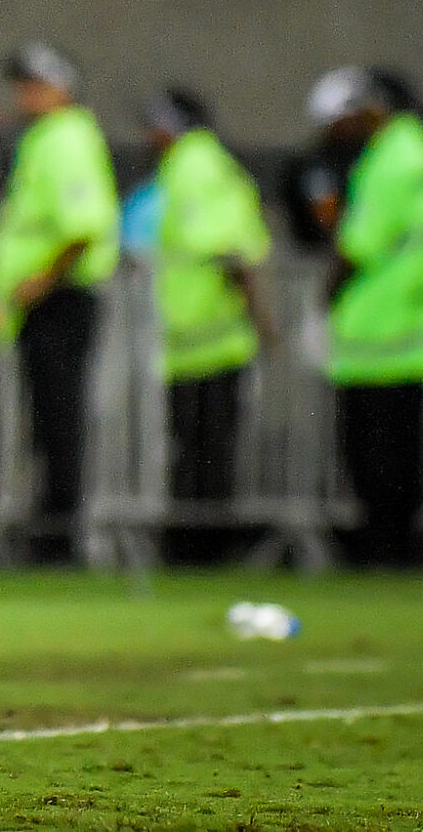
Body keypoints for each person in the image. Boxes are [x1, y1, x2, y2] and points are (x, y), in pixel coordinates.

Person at [309, 67, 423, 567]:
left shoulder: (392, 159)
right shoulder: (418, 153)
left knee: (375, 450)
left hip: (379, 331)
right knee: (400, 447)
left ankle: (385, 548)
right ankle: (396, 545)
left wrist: (324, 298)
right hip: (405, 329)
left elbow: (360, 242)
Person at [0, 41, 119, 563]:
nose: (26, 94)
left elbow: (84, 227)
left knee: (59, 421)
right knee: (48, 420)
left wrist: (39, 283)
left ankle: (60, 537)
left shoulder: (66, 137)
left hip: (61, 299)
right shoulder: (47, 137)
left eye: (36, 84)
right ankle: (51, 530)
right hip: (46, 301)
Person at [144, 88, 271, 564]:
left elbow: (224, 249)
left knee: (201, 450)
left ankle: (198, 548)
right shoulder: (210, 164)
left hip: (209, 336)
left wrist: (260, 317)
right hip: (205, 338)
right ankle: (199, 544)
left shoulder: (193, 165)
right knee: (206, 448)